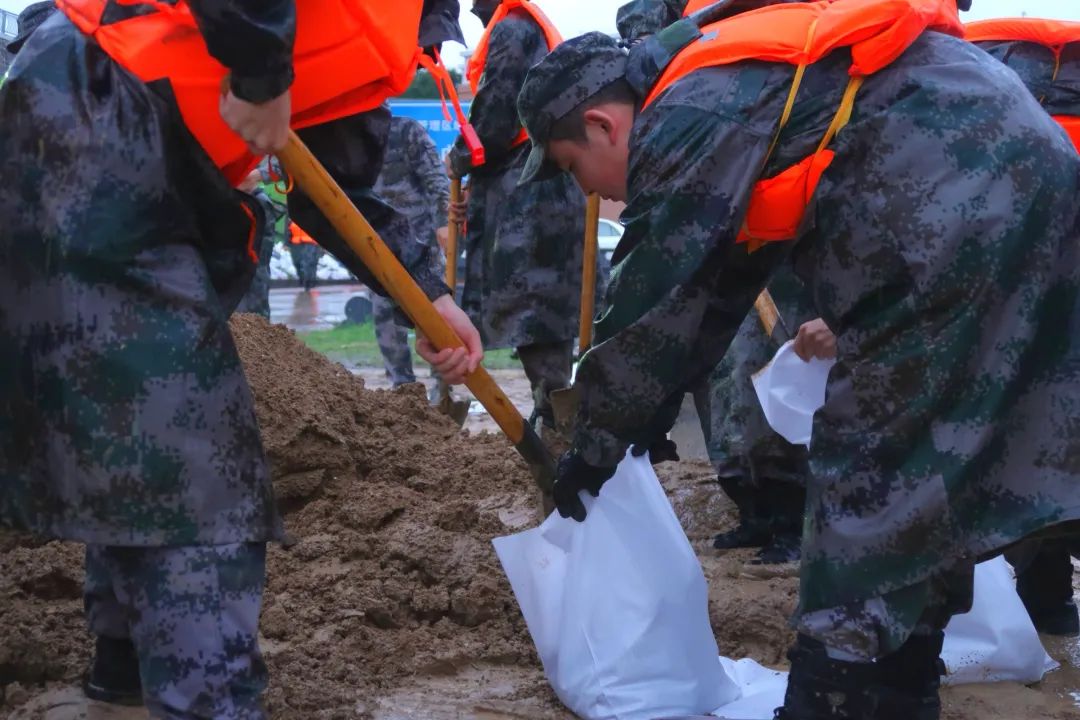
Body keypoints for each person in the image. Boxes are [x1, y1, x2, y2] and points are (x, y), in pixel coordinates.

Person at [513, 0, 1080, 716]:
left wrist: (594, 444)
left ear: (602, 125)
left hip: (956, 215)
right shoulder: (729, 88)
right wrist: (636, 413)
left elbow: (659, 305)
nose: (590, 191)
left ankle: (835, 696)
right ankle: (900, 684)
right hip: (1018, 186)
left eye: (574, 168)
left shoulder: (686, 117)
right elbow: (718, 292)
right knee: (945, 470)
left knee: (871, 471)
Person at [0, 1, 479, 717]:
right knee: (196, 464)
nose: (427, 49)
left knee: (138, 426)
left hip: (79, 120)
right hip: (100, 124)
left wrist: (428, 294)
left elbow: (332, 186)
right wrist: (260, 72)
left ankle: (123, 662)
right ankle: (209, 699)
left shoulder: (351, 29)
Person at [966, 17, 1080, 638]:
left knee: (1016, 463)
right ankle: (1050, 605)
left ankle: (1039, 606)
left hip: (1017, 333)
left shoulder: (998, 138)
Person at [447, 0, 587, 431]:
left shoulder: (513, 28)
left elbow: (494, 119)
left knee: (534, 312)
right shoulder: (520, 27)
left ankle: (556, 421)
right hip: (534, 187)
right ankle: (554, 412)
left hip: (531, 197)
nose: (472, 10)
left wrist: (460, 159)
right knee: (539, 315)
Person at [372, 113, 452, 387]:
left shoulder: (406, 130)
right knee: (385, 316)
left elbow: (435, 177)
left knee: (431, 314)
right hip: (375, 243)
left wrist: (443, 222)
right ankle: (402, 389)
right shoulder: (353, 139)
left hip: (420, 242)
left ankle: (442, 386)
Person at [235, 161, 289, 319]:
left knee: (251, 275)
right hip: (217, 200)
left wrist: (258, 175)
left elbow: (295, 152)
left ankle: (253, 332)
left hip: (248, 202)